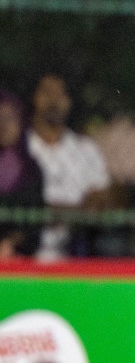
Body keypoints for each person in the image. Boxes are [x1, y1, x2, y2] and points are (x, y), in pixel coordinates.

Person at [27, 73, 112, 261]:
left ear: (69, 101)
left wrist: (48, 211)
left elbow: (102, 201)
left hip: (74, 256)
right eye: (47, 92)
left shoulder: (86, 150)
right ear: (34, 97)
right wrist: (76, 212)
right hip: (23, 257)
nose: (54, 100)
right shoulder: (18, 150)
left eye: (61, 94)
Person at [0, 92, 45, 258]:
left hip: (20, 255)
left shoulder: (31, 170)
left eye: (10, 118)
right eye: (0, 118)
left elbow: (34, 223)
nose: (4, 125)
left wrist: (10, 243)